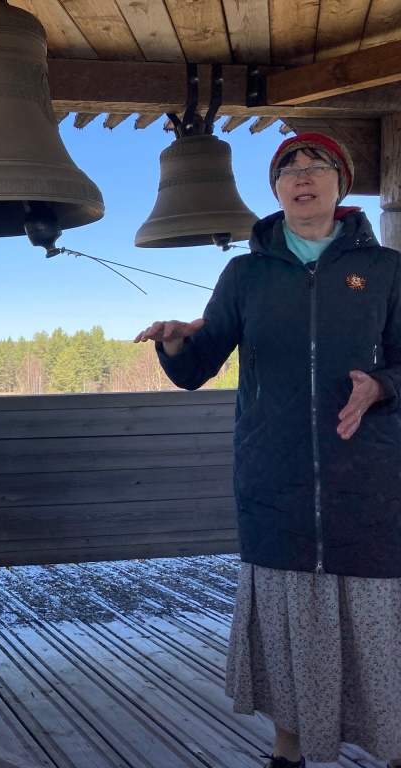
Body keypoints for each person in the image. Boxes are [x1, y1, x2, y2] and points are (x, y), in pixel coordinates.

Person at [134, 133, 401, 768]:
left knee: (378, 635)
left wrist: (382, 387)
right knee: (292, 635)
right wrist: (174, 342)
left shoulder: (388, 270)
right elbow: (197, 366)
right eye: (289, 170)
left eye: (318, 168)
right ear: (275, 190)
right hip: (274, 483)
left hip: (368, 481)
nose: (303, 178)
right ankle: (288, 755)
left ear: (342, 183)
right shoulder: (245, 274)